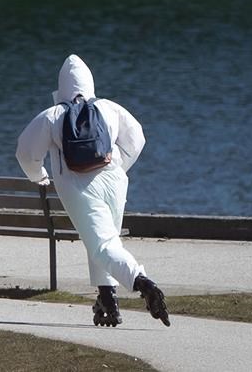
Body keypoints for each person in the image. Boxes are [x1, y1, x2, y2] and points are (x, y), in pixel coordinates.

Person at [15, 54, 170, 327]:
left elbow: (26, 153)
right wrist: (120, 165)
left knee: (102, 244)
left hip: (77, 185)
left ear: (61, 85)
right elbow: (137, 138)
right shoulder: (109, 108)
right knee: (104, 240)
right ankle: (107, 299)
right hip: (113, 180)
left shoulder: (53, 115)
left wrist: (39, 177)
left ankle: (142, 282)